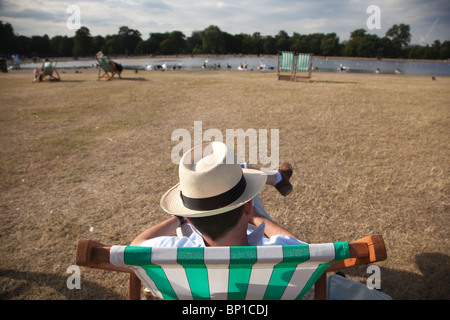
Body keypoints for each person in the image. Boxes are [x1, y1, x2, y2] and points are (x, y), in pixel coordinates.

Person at [131, 141, 304, 248]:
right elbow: (299, 246)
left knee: (235, 172)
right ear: (248, 207)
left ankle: (279, 177)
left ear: (190, 218)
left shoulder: (175, 253)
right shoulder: (278, 251)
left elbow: (136, 246)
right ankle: (279, 177)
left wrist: (179, 218)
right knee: (239, 169)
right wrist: (256, 217)